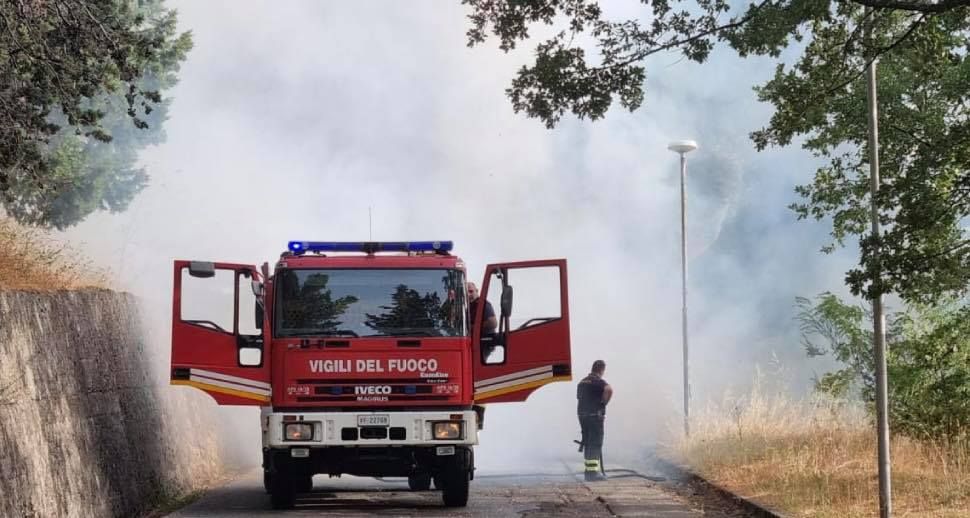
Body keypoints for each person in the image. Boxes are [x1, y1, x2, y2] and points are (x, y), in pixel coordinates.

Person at [577, 360, 612, 481]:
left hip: (582, 416)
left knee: (587, 442)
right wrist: (603, 403)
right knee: (595, 443)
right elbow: (609, 390)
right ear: (601, 370)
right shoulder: (599, 381)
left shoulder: (582, 382)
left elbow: (580, 399)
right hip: (594, 416)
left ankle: (588, 472)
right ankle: (593, 474)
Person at [467, 282, 500, 362]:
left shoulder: (483, 304)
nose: (468, 294)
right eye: (466, 292)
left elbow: (493, 323)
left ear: (477, 291)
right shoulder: (469, 306)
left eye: (471, 291)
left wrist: (472, 327)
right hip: (476, 343)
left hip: (484, 342)